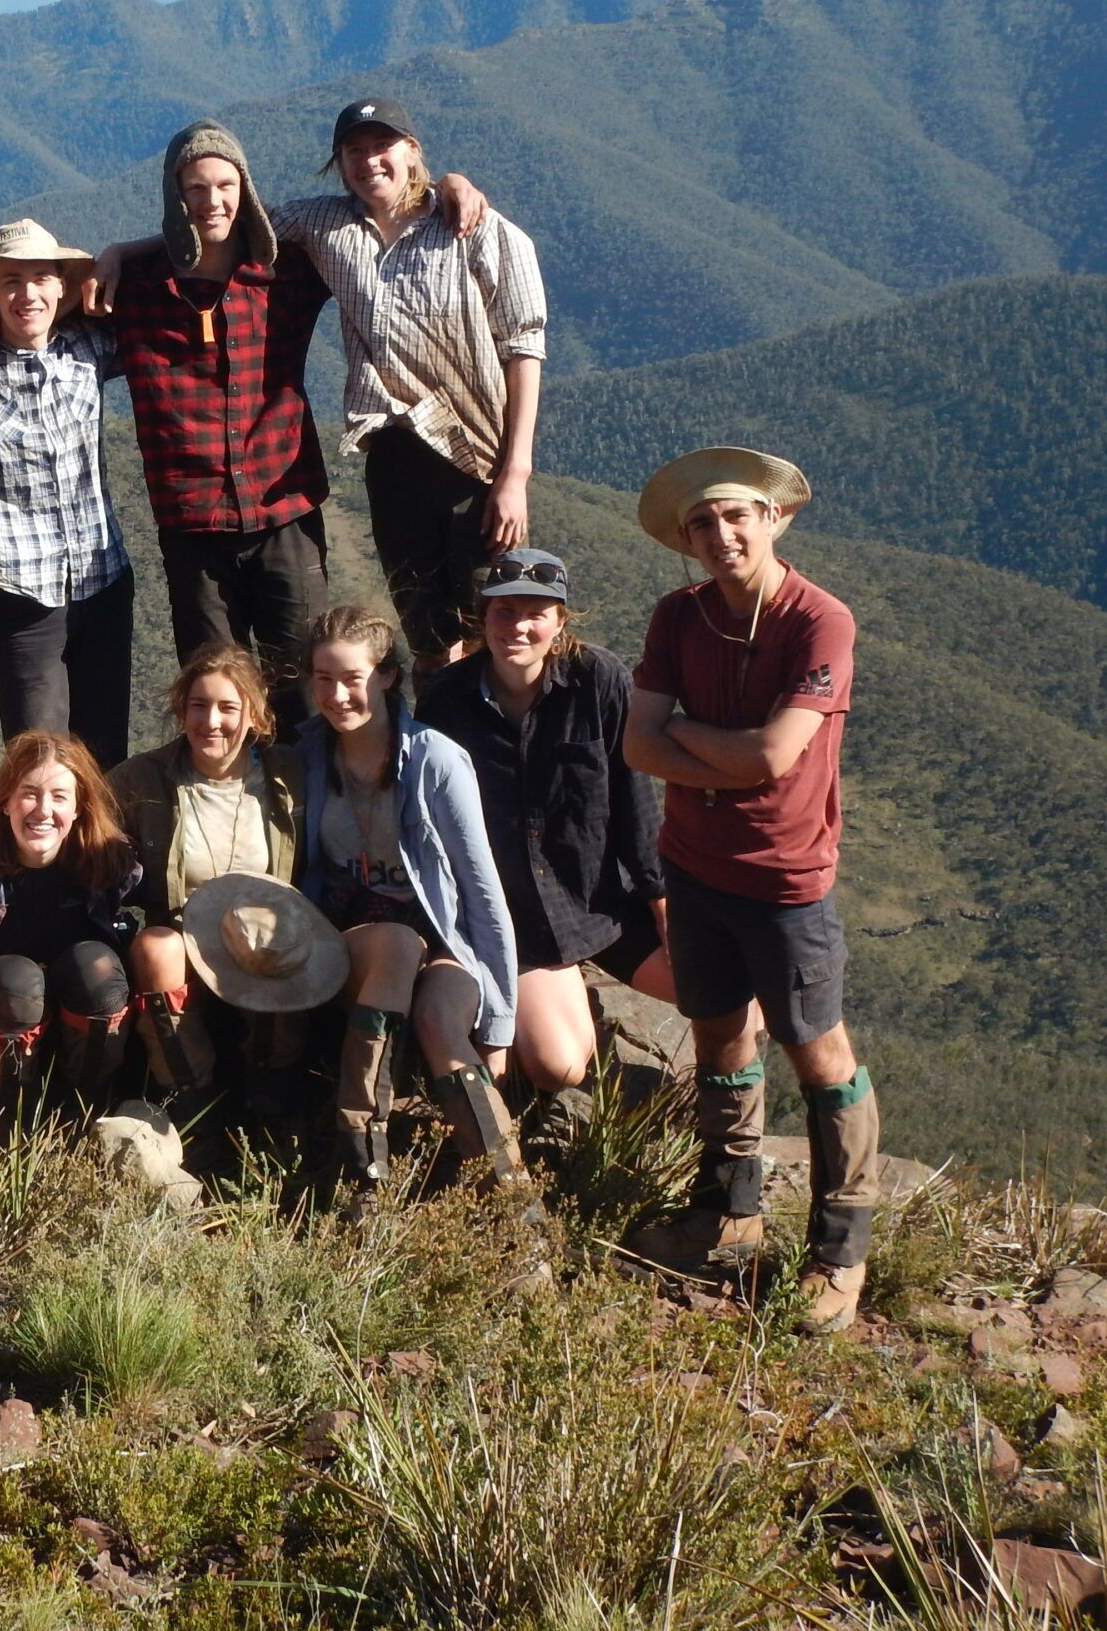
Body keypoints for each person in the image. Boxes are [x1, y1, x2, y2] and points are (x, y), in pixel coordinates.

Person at [75, 123, 488, 715]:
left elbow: (369, 221)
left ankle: (305, 806)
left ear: (245, 189)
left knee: (305, 690)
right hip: (192, 527)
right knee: (214, 694)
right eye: (195, 188)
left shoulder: (286, 270)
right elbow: (27, 309)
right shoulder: (135, 288)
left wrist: (446, 184)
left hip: (285, 513)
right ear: (175, 195)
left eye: (226, 185)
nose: (212, 201)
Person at [621, 447, 880, 1333]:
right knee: (720, 1035)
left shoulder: (820, 622)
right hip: (693, 865)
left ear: (774, 519)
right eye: (702, 523)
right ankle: (729, 1212)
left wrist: (687, 734)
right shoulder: (678, 616)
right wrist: (718, 750)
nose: (721, 534)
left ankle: (840, 1252)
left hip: (784, 880)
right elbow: (636, 748)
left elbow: (774, 756)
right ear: (686, 539)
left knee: (819, 1054)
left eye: (737, 515)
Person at [272, 99, 546, 673]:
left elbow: (523, 349)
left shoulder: (476, 228)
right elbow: (230, 224)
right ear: (339, 163)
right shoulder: (324, 225)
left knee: (496, 624)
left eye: (382, 146)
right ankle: (437, 753)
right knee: (425, 631)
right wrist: (124, 255)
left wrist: (514, 475)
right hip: (394, 457)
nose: (369, 161)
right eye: (354, 151)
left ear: (412, 151)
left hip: (477, 460)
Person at [416, 548, 680, 1096]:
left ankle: (726, 1142)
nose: (518, 626)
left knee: (728, 998)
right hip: (518, 923)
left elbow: (635, 798)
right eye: (504, 611)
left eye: (535, 612)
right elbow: (430, 826)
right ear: (482, 618)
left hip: (603, 902)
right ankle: (581, 1034)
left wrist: (662, 905)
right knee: (559, 1066)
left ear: (560, 622)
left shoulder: (599, 681)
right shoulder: (445, 702)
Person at [299, 605, 527, 1198]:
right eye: (324, 679)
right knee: (396, 947)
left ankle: (514, 1206)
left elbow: (481, 892)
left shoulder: (436, 761)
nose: (337, 695)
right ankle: (364, 1178)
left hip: (441, 934)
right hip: (354, 934)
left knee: (439, 1018)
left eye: (353, 678)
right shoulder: (304, 754)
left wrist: (499, 1025)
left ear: (388, 676)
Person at [0, 219, 135, 767]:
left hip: (103, 581)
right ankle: (40, 855)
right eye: (11, 281)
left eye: (40, 279)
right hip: (23, 594)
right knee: (37, 761)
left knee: (106, 758)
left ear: (61, 287)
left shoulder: (89, 349)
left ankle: (104, 855)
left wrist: (120, 246)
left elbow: (171, 289)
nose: (27, 294)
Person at [108, 642, 311, 1101]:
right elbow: (97, 850)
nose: (211, 722)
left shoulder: (289, 776)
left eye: (228, 708)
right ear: (182, 710)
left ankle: (272, 1095)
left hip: (267, 937)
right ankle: (188, 1099)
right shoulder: (141, 779)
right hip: (185, 937)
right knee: (156, 947)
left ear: (255, 716)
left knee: (279, 938)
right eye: (199, 706)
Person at [0, 731, 143, 1105]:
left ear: (79, 807)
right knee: (18, 979)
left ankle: (85, 1100)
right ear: (6, 802)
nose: (43, 810)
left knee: (97, 966)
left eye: (59, 797)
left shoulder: (110, 859)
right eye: (29, 793)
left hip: (75, 1008)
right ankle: (9, 1104)